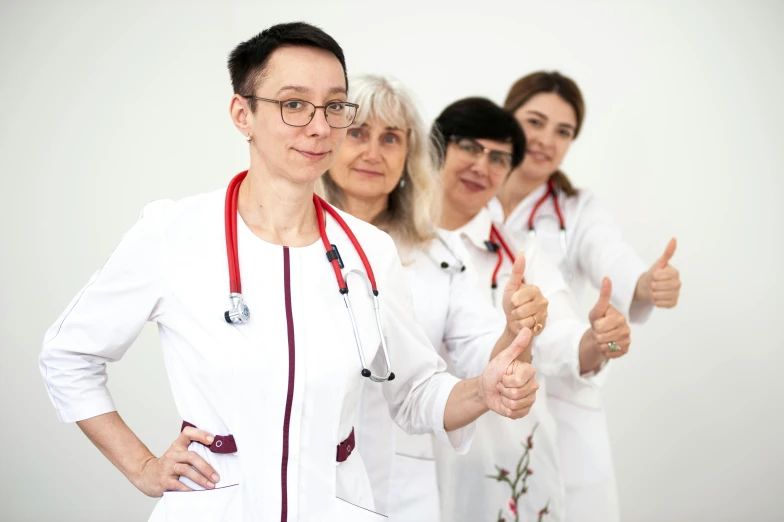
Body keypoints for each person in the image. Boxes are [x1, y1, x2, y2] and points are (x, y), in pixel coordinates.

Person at [37, 24, 539, 522]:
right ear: (243, 114)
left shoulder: (369, 252)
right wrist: (142, 466)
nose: (319, 127)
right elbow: (68, 355)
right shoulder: (174, 232)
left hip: (337, 506)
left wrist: (483, 390)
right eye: (294, 104)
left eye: (335, 106)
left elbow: (413, 392)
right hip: (220, 507)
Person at [318, 76, 548, 522]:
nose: (372, 153)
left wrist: (515, 329)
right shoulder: (287, 239)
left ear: (409, 156)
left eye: (390, 138)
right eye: (358, 133)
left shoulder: (440, 255)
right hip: (300, 472)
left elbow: (485, 361)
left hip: (401, 480)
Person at [495, 71, 683, 522]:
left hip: (561, 389)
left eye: (564, 131)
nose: (546, 140)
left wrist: (644, 283)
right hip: (485, 388)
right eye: (535, 121)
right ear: (506, 116)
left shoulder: (576, 208)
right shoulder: (463, 194)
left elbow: (610, 254)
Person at [434, 97, 632, 522]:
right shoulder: (386, 241)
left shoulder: (522, 253)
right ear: (438, 148)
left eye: (499, 158)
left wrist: (596, 342)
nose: (482, 166)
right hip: (416, 446)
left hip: (503, 453)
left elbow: (560, 338)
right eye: (469, 147)